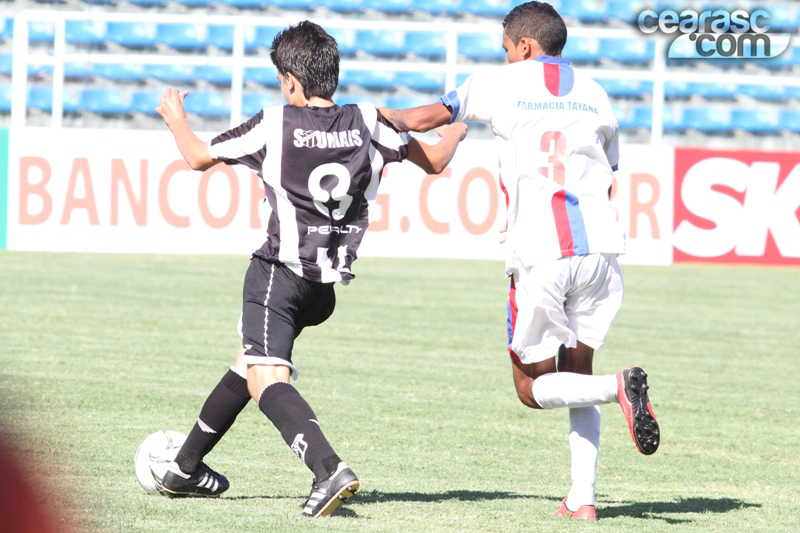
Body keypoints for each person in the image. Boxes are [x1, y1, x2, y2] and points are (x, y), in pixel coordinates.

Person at [154, 20, 468, 517]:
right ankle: (184, 466)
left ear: (291, 82)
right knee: (248, 361)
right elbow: (435, 161)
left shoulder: (273, 123)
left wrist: (175, 117)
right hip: (323, 288)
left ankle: (328, 469)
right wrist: (458, 129)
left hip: (279, 275)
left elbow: (196, 157)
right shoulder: (370, 121)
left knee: (266, 377)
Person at [380, 1, 660, 521]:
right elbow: (612, 172)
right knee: (577, 371)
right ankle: (584, 498)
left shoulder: (500, 83)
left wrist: (372, 116)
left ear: (525, 46)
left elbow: (418, 118)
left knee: (531, 389)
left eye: (507, 47)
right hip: (601, 249)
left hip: (540, 250)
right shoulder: (597, 93)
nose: (505, 56)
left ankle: (615, 388)